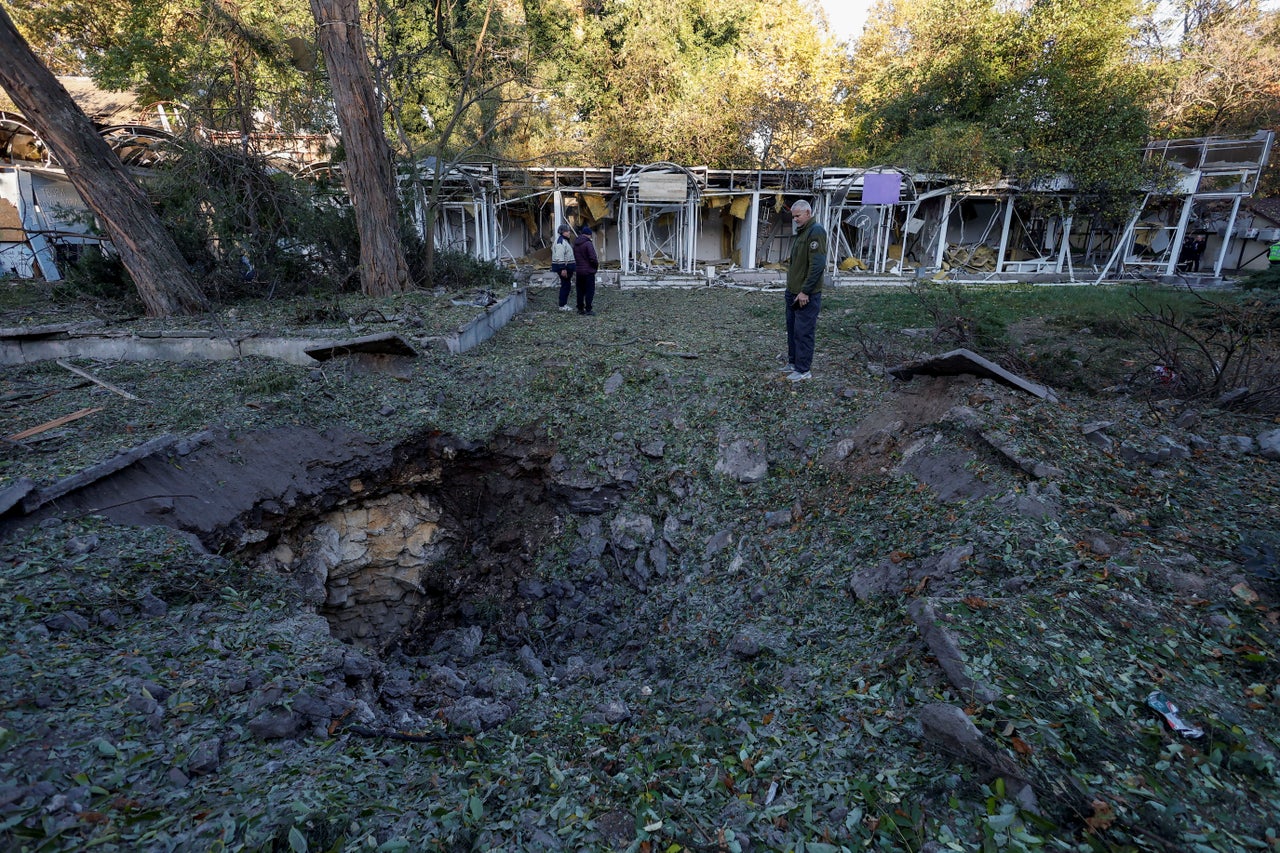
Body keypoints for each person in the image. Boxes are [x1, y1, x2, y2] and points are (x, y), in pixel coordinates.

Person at [781, 199, 826, 382]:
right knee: (792, 330)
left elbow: (817, 265)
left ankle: (803, 370)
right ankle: (793, 363)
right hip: (793, 292)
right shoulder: (802, 232)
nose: (795, 219)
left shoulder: (816, 232)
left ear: (808, 213)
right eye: (794, 216)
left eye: (798, 216)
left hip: (805, 295)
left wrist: (806, 291)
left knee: (803, 332)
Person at [573, 225, 599, 315]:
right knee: (589, 291)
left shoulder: (576, 244)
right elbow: (593, 258)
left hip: (579, 271)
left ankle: (580, 308)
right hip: (588, 271)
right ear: (588, 235)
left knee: (580, 291)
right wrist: (595, 266)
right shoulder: (588, 243)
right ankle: (588, 309)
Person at [550, 224, 575, 311]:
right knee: (565, 285)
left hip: (567, 267)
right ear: (563, 232)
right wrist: (563, 269)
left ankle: (563, 304)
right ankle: (562, 305)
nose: (569, 233)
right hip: (564, 268)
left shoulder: (565, 240)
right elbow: (559, 256)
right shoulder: (560, 242)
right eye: (568, 231)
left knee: (566, 285)